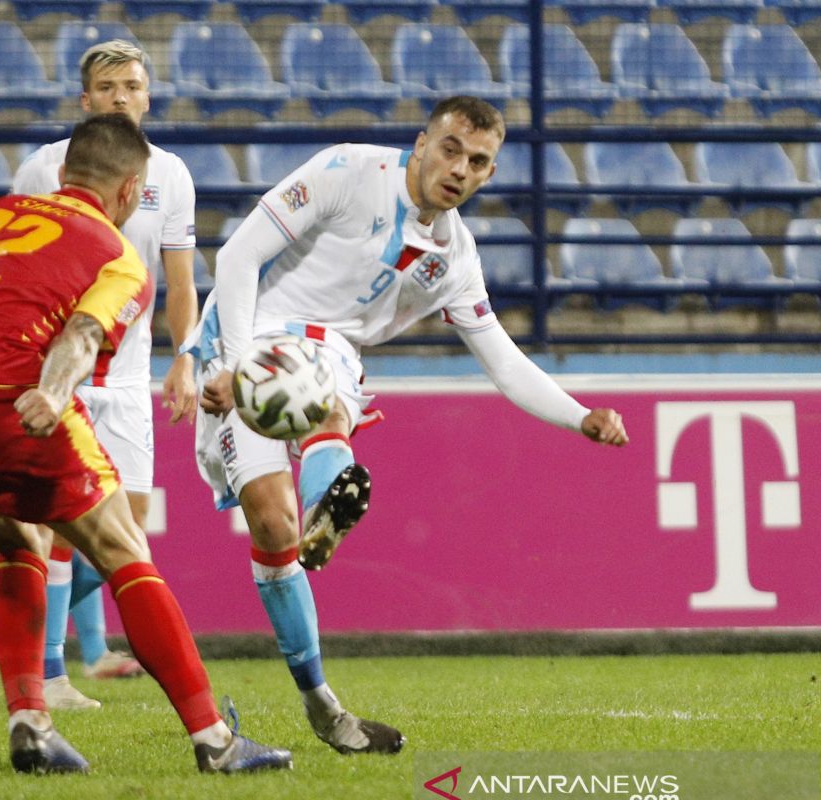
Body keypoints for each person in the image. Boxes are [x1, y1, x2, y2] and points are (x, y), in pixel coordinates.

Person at [185, 95, 629, 756]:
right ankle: (316, 514)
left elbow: (503, 361)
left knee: (327, 398)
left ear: (488, 175)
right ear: (421, 143)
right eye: (450, 148)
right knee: (270, 529)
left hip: (329, 353)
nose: (460, 168)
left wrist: (579, 416)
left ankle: (323, 700)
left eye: (478, 161)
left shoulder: (455, 258)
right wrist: (230, 362)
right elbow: (239, 257)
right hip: (246, 333)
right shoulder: (347, 171)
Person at [0, 113, 291, 775]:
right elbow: (81, 339)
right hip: (8, 399)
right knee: (123, 547)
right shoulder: (117, 254)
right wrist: (50, 389)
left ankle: (32, 723)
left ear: (64, 176)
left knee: (17, 539)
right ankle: (215, 739)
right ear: (130, 192)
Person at [0, 39, 199, 712]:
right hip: (44, 376)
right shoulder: (43, 169)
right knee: (56, 534)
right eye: (108, 86)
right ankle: (57, 680)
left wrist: (185, 360)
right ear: (85, 100)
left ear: (148, 93)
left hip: (125, 378)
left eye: (133, 85)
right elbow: (19, 283)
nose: (121, 96)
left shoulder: (174, 174)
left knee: (111, 533)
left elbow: (181, 282)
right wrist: (23, 373)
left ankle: (42, 693)